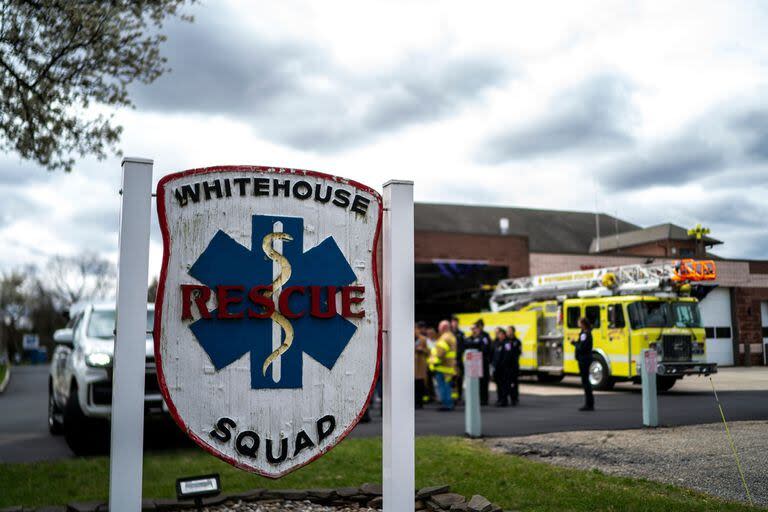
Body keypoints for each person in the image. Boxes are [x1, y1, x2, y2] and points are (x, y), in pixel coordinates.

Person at [428, 320, 457, 411]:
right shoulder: (451, 337)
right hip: (449, 367)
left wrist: (433, 362)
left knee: (443, 386)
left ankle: (446, 404)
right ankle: (448, 403)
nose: (438, 329)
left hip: (442, 367)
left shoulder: (444, 338)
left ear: (443, 328)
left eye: (439, 327)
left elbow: (440, 353)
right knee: (447, 386)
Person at [464, 319, 492, 405]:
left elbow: (485, 349)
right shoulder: (472, 337)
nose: (474, 330)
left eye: (476, 328)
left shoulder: (484, 337)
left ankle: (484, 400)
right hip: (475, 363)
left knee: (483, 382)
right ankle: (477, 398)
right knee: (476, 382)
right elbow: (466, 344)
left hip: (483, 362)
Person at [572, 317, 595, 411]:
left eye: (579, 322)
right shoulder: (587, 332)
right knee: (586, 381)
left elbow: (582, 347)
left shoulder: (584, 334)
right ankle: (590, 403)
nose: (578, 323)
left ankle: (588, 404)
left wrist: (574, 343)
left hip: (584, 359)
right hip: (587, 358)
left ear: (583, 324)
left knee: (585, 382)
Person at [491, 328, 513, 406]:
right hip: (497, 368)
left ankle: (504, 400)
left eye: (500, 334)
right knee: (498, 385)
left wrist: (502, 365)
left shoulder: (507, 344)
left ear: (504, 335)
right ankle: (499, 399)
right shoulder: (497, 343)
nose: (498, 336)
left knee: (504, 385)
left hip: (504, 369)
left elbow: (508, 355)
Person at [450, 316, 466, 403]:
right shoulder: (449, 333)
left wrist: (458, 358)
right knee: (451, 379)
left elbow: (463, 347)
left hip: (459, 360)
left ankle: (459, 396)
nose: (454, 324)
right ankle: (452, 397)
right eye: (453, 322)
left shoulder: (461, 334)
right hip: (450, 360)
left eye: (456, 322)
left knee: (459, 379)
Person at [414, 325, 429, 409]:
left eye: (415, 329)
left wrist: (422, 349)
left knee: (420, 384)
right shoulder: (407, 338)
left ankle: (420, 402)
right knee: (413, 385)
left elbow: (428, 351)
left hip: (420, 365)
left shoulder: (423, 339)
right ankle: (414, 402)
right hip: (412, 365)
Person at [506, 326, 522, 406]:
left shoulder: (517, 341)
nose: (508, 332)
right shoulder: (506, 341)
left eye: (509, 331)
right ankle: (508, 397)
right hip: (507, 366)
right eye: (507, 331)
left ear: (513, 331)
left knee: (514, 383)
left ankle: (514, 398)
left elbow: (518, 352)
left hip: (514, 365)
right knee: (507, 383)